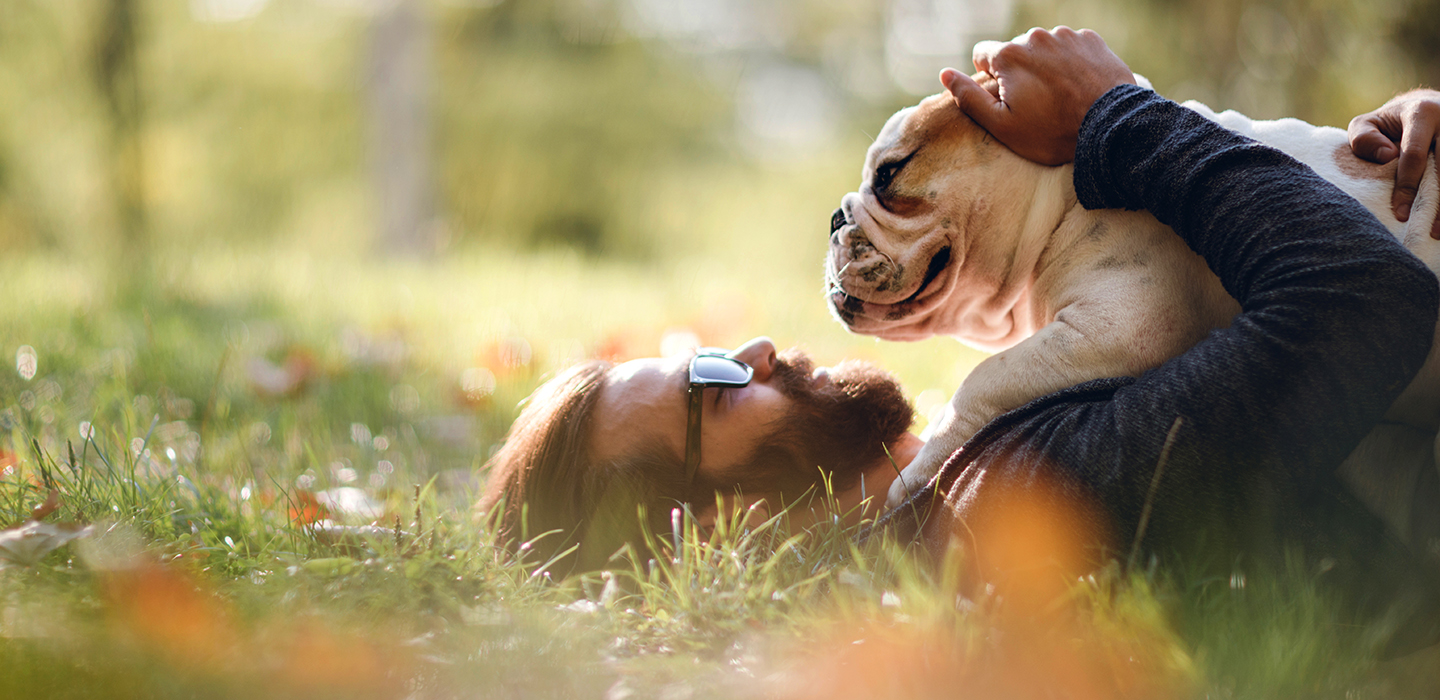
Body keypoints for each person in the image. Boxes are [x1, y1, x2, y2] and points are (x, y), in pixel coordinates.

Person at [479, 27, 1440, 651]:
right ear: (716, 538)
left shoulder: (971, 464)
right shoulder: (1011, 501)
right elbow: (1364, 306)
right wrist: (1120, 114)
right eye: (716, 381)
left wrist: (1350, 173)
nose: (762, 347)